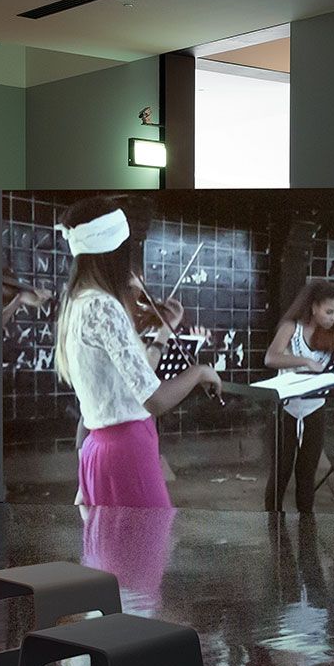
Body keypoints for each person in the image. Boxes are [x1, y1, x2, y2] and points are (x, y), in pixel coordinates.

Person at [53, 197, 221, 507]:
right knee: (145, 537)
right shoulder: (104, 306)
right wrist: (199, 372)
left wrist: (164, 333)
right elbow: (154, 399)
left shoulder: (76, 303)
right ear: (115, 252)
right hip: (127, 450)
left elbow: (138, 375)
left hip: (100, 448)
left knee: (113, 539)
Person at [263, 280, 334, 513]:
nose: (333, 318)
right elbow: (271, 358)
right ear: (313, 307)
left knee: (307, 473)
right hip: (286, 408)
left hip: (315, 409)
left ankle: (306, 524)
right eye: (328, 312)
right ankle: (273, 522)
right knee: (281, 472)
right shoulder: (291, 328)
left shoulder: (332, 335)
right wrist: (304, 361)